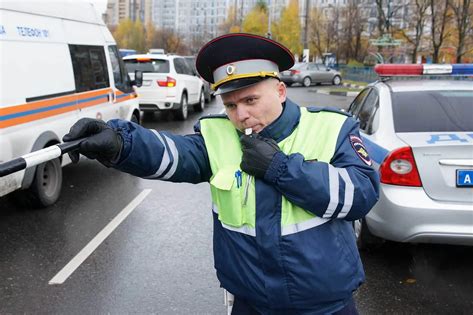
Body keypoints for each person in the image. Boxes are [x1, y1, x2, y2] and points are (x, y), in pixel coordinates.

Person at [63, 33, 379, 314]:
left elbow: (361, 193)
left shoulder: (332, 127)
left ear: (280, 91)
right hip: (250, 303)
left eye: (251, 100)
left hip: (324, 307)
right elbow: (174, 154)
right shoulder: (220, 136)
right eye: (230, 105)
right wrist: (120, 143)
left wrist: (281, 169)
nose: (241, 116)